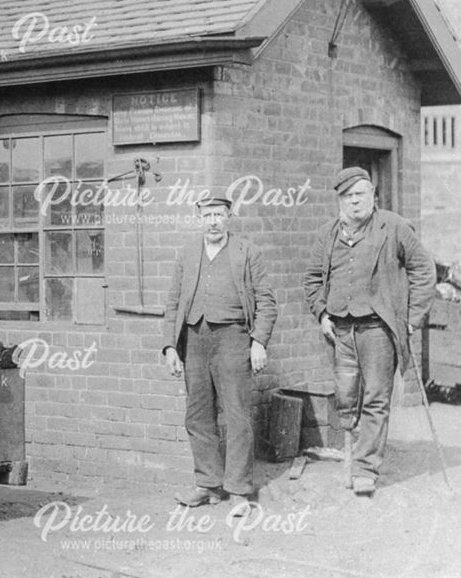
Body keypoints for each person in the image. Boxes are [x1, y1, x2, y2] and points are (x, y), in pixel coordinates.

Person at [303, 167, 435, 496]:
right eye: (348, 196)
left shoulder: (393, 227)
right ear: (339, 201)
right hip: (340, 329)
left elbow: (423, 269)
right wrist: (321, 314)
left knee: (375, 398)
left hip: (378, 329)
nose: (355, 201)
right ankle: (351, 452)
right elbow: (312, 279)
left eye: (361, 194)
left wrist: (411, 318)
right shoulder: (328, 234)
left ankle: (365, 468)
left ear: (373, 196)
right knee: (346, 397)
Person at [163, 197, 277, 511]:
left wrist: (258, 342)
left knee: (237, 414)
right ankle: (208, 484)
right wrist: (171, 346)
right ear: (199, 218)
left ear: (229, 217)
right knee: (198, 415)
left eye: (219, 215)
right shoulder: (187, 253)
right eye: (207, 215)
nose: (213, 221)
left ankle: (239, 490)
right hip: (195, 340)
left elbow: (267, 302)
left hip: (234, 338)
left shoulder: (247, 252)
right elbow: (173, 303)